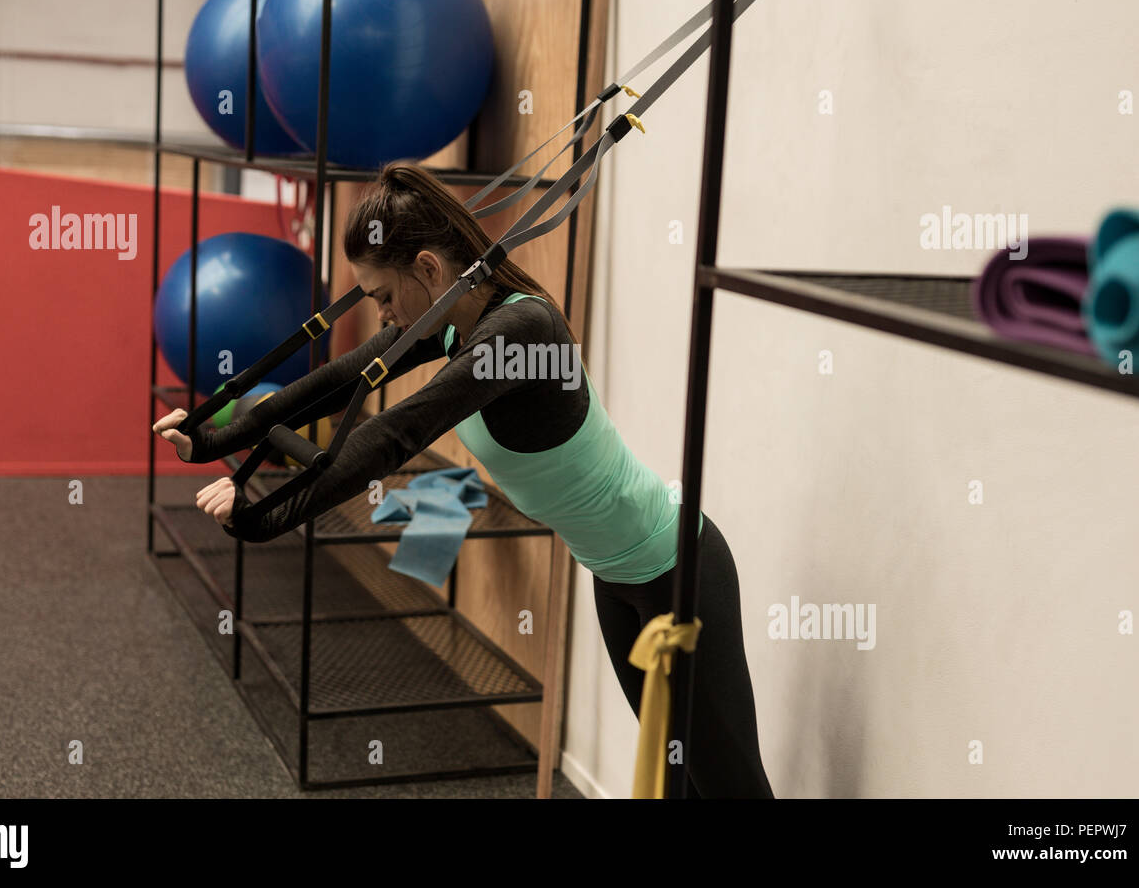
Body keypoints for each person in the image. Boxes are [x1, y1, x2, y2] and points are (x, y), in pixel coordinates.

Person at [152, 161, 773, 798]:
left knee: (732, 787)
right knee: (679, 782)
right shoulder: (451, 322)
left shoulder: (521, 333)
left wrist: (261, 516)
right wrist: (212, 439)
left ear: (429, 268)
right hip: (615, 578)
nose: (385, 316)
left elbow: (392, 436)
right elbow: (339, 380)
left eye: (384, 297)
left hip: (680, 571)